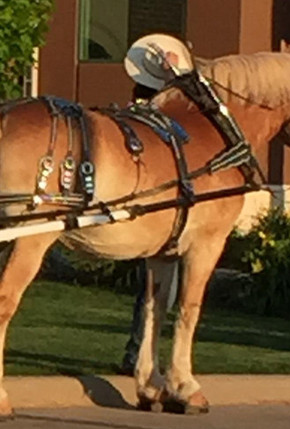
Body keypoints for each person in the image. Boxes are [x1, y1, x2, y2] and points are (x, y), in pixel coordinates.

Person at [118, 35, 193, 376]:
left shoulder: (149, 104)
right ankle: (139, 353)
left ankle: (140, 353)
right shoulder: (157, 111)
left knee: (155, 289)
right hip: (156, 204)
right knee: (159, 288)